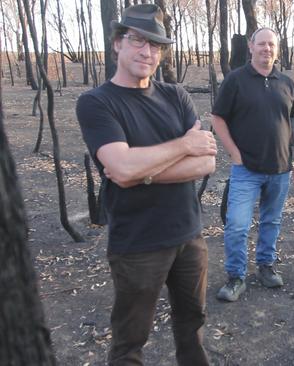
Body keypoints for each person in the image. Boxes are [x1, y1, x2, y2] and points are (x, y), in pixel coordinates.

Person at [75, 4, 217, 365]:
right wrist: (183, 146)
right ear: (117, 45)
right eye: (137, 40)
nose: (147, 52)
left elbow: (207, 161)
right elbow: (121, 168)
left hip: (189, 235)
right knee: (130, 340)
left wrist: (143, 170)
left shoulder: (176, 96)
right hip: (137, 245)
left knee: (193, 324)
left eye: (155, 45)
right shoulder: (96, 102)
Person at [211, 27, 294, 302]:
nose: (267, 49)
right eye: (262, 44)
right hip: (246, 171)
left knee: (271, 221)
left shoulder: (286, 83)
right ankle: (236, 277)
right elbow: (218, 119)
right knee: (238, 225)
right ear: (251, 47)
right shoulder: (236, 80)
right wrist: (234, 154)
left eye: (271, 45)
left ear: (277, 49)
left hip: (280, 170)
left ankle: (266, 267)